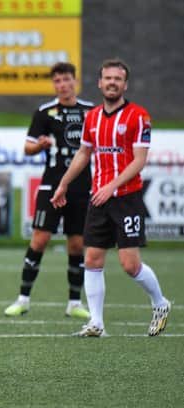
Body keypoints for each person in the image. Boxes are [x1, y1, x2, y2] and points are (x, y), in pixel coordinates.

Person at [51, 58, 171, 337]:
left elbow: (139, 161)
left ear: (125, 84)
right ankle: (96, 323)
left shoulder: (139, 116)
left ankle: (160, 303)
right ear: (100, 83)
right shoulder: (91, 117)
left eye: (118, 79)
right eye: (108, 78)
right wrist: (63, 185)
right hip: (99, 199)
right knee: (92, 260)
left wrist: (112, 186)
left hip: (126, 198)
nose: (112, 83)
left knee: (130, 265)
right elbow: (83, 153)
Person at [4, 62, 93, 319]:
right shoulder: (45, 112)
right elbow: (27, 147)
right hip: (50, 185)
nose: (62, 85)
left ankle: (74, 303)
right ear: (54, 84)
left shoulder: (90, 111)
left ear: (74, 81)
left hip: (80, 187)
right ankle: (23, 299)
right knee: (40, 240)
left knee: (77, 245)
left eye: (66, 79)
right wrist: (40, 145)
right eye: (57, 81)